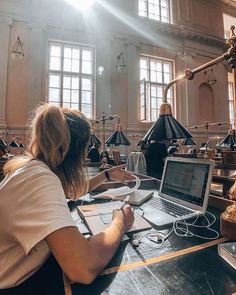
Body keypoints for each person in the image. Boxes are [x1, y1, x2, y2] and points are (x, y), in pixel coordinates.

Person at [0, 104, 134, 294]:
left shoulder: (32, 170)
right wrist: (120, 222)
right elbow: (83, 268)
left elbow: (71, 192)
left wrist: (106, 174)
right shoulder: (40, 179)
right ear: (76, 152)